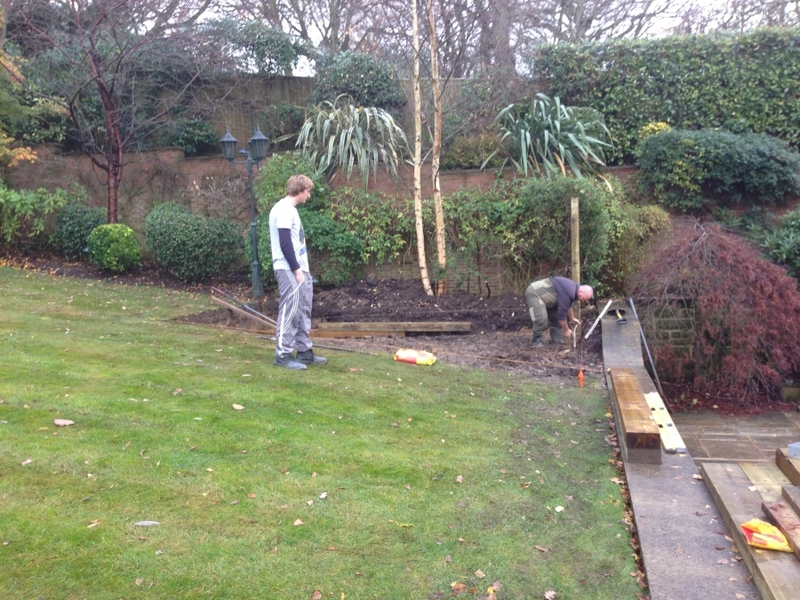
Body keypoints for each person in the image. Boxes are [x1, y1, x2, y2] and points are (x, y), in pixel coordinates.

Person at [268, 174, 326, 370]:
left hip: (300, 269)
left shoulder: (290, 210)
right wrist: (296, 269)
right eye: (307, 191)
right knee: (290, 310)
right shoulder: (284, 210)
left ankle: (304, 351)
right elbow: (285, 243)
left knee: (303, 311)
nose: (308, 195)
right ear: (300, 190)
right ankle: (283, 354)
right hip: (288, 269)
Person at [525, 276, 594, 346]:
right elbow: (562, 315)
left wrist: (572, 318)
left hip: (548, 298)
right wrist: (566, 330)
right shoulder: (570, 291)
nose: (582, 300)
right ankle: (536, 342)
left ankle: (557, 341)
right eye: (584, 298)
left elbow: (567, 306)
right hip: (535, 293)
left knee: (556, 319)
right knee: (541, 319)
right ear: (581, 291)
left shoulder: (574, 290)